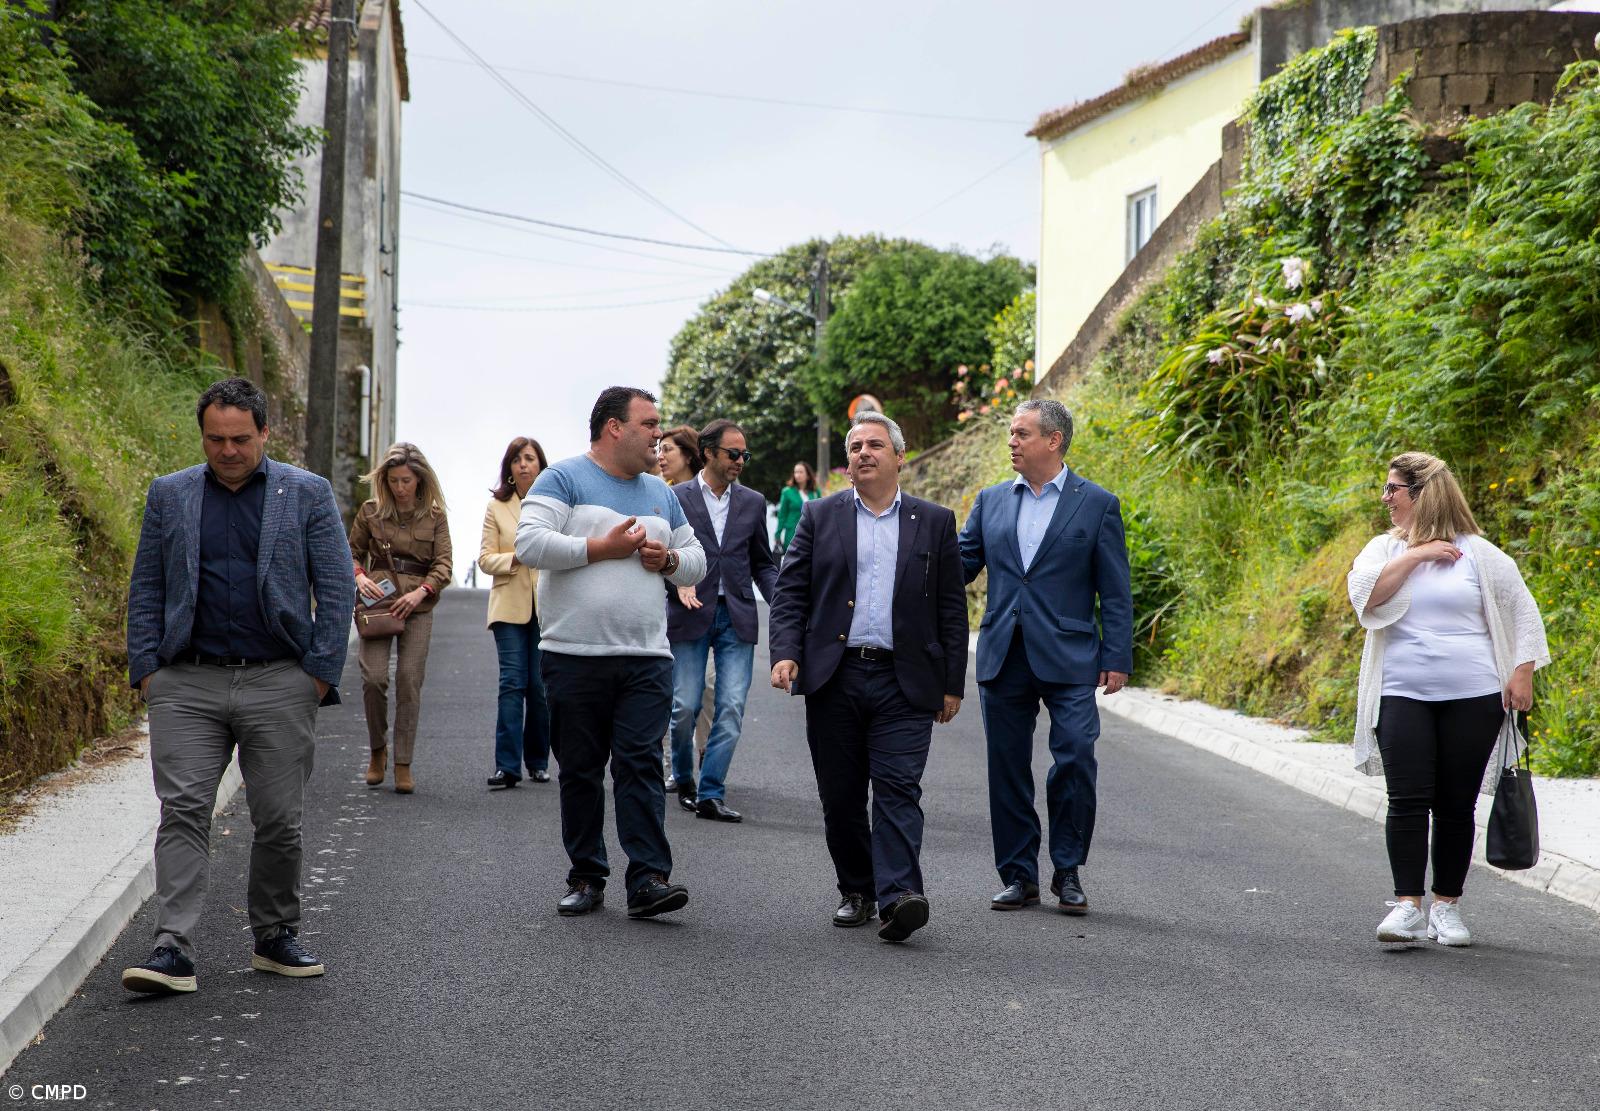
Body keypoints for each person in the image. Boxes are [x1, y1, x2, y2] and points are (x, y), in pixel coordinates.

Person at [121, 377, 353, 995]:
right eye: (215, 439)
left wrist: (318, 675)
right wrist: (147, 669)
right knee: (183, 809)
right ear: (202, 435)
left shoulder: (305, 494)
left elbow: (336, 588)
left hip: (280, 678)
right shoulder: (170, 495)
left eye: (240, 439)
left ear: (264, 434)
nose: (227, 450)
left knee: (278, 818)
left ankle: (275, 935)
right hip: (187, 682)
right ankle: (172, 948)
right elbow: (147, 585)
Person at [768, 412, 967, 943]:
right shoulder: (818, 516)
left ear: (899, 457)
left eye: (875, 445)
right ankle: (858, 889)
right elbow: (791, 594)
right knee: (842, 794)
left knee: (899, 787)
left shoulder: (935, 521)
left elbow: (952, 608)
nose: (864, 453)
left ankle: (900, 895)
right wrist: (785, 653)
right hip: (835, 677)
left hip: (906, 680)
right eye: (856, 446)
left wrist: (953, 683)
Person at [516, 386, 707, 919]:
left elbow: (698, 561)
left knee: (641, 764)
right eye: (649, 424)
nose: (659, 435)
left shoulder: (662, 493)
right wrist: (605, 548)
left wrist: (667, 559)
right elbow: (531, 545)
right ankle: (586, 875)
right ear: (614, 428)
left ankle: (648, 878)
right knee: (580, 769)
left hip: (647, 656)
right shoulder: (563, 479)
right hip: (573, 654)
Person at [1348, 452, 1549, 947]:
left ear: (1422, 494)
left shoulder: (1482, 555)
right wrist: (1417, 554)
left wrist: (1522, 671)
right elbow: (1365, 598)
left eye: (1393, 489)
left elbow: (1524, 612)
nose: (1385, 498)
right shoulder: (1383, 549)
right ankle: (1407, 908)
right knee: (1408, 801)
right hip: (1401, 693)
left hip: (1474, 695)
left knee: (1456, 806)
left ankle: (1447, 908)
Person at [958, 399, 1132, 917]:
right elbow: (960, 565)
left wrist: (1116, 655)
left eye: (1021, 434)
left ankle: (1068, 869)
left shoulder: (1097, 504)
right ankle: (1018, 875)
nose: (1011, 442)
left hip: (1071, 654)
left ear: (1053, 440)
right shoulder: (990, 502)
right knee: (1007, 768)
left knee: (1076, 755)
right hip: (1003, 652)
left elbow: (1115, 591)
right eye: (1010, 434)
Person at [665, 419, 779, 821]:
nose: (740, 461)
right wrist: (675, 580)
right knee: (684, 705)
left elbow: (763, 563)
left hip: (737, 614)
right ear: (708, 452)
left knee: (731, 706)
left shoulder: (752, 502)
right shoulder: (674, 497)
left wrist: (783, 597)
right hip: (689, 611)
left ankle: (711, 792)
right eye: (734, 454)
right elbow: (661, 554)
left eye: (744, 455)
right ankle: (684, 776)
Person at [349, 443, 453, 795]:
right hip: (378, 604)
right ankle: (378, 749)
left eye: (406, 480)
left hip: (418, 606)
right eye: (393, 480)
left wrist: (422, 591)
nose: (399, 487)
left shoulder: (435, 516)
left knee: (409, 680)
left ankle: (403, 762)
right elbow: (349, 553)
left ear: (419, 480)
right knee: (374, 678)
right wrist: (359, 575)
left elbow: (444, 564)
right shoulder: (371, 511)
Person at [479, 436, 553, 789]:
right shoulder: (497, 507)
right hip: (508, 606)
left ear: (541, 465)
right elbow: (485, 559)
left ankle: (538, 761)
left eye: (530, 458)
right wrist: (515, 558)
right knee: (512, 683)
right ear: (509, 469)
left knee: (539, 687)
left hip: (548, 607)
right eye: (516, 460)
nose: (523, 464)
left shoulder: (555, 504)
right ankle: (506, 766)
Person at [774, 460, 821, 552]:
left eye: (800, 472)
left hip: (811, 533)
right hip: (792, 533)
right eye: (796, 472)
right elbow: (782, 515)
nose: (797, 475)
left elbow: (820, 513)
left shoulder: (815, 492)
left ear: (808, 475)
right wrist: (778, 534)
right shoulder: (787, 492)